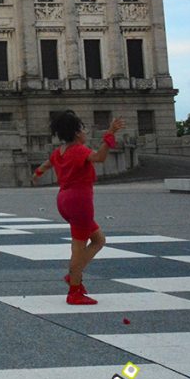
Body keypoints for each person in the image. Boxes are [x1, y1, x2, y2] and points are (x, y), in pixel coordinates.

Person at [32, 110, 124, 305]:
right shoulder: (79, 150)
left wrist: (37, 174)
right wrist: (110, 134)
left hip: (64, 200)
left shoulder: (60, 152)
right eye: (83, 129)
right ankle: (74, 290)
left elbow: (46, 165)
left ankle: (74, 273)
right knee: (78, 247)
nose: (85, 132)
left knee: (99, 239)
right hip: (79, 201)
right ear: (76, 133)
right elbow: (99, 157)